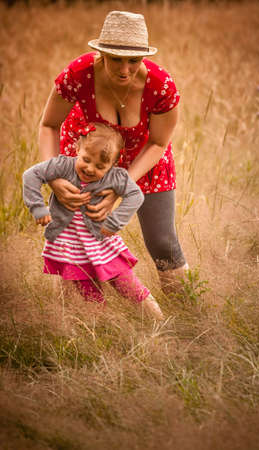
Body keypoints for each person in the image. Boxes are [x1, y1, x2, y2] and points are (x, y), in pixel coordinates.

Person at [38, 10, 188, 295]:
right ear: (101, 53)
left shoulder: (161, 86)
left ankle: (187, 314)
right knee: (79, 236)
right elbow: (49, 124)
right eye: (116, 59)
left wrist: (119, 186)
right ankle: (86, 318)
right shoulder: (79, 74)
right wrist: (53, 177)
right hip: (89, 156)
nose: (124, 70)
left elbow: (158, 143)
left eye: (134, 60)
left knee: (162, 241)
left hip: (145, 157)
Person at [23, 122, 164, 320]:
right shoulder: (62, 166)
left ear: (113, 164)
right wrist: (38, 207)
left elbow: (135, 195)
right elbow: (31, 175)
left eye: (100, 166)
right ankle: (99, 331)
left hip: (101, 244)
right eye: (86, 160)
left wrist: (115, 222)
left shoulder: (115, 177)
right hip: (72, 247)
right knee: (90, 297)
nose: (90, 168)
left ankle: (159, 321)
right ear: (77, 148)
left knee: (129, 286)